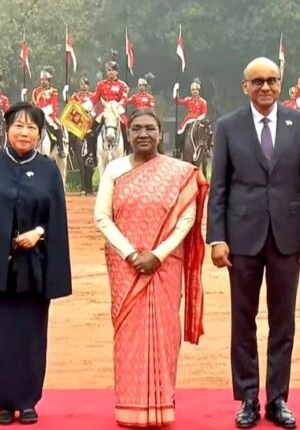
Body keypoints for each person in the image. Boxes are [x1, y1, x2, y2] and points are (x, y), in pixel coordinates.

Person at [206, 57, 300, 429]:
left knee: (283, 322)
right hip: (241, 239)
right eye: (258, 82)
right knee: (243, 322)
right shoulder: (228, 127)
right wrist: (217, 238)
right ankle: (247, 399)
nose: (266, 88)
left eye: (272, 81)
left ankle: (277, 399)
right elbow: (219, 186)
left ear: (281, 84)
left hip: (288, 237)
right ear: (246, 87)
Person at [0, 102, 72, 426]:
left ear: (39, 133)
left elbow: (56, 220)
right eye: (19, 126)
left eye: (32, 127)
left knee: (32, 337)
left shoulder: (49, 170)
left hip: (35, 268)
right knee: (1, 338)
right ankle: (5, 402)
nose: (25, 132)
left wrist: (38, 233)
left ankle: (29, 400)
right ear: (7, 129)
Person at [94, 108, 208, 428]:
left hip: (165, 263)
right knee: (128, 331)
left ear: (161, 133)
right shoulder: (114, 170)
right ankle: (129, 406)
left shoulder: (180, 172)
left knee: (165, 331)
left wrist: (157, 254)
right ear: (128, 134)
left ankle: (162, 403)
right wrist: (132, 254)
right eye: (137, 129)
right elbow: (102, 216)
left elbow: (186, 219)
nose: (143, 134)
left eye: (150, 129)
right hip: (124, 265)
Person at [90, 61, 129, 151]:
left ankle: (127, 151)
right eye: (109, 70)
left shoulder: (122, 85)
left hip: (117, 109)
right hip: (104, 110)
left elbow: (124, 99)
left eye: (113, 70)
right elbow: (95, 98)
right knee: (92, 129)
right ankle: (92, 154)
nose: (111, 72)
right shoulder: (101, 84)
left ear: (117, 72)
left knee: (127, 128)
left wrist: (118, 105)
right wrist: (89, 107)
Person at [31, 66, 65, 158]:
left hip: (49, 115)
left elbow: (52, 105)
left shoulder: (54, 92)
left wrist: (42, 111)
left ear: (49, 81)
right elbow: (33, 103)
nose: (43, 82)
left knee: (58, 130)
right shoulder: (36, 91)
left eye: (45, 80)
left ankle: (60, 148)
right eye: (42, 80)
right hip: (37, 115)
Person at [173, 78, 208, 157]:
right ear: (191, 91)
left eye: (196, 90)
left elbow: (204, 113)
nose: (195, 91)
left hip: (199, 120)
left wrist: (199, 119)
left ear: (199, 91)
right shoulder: (188, 100)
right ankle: (179, 149)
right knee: (180, 132)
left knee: (208, 131)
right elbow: (177, 101)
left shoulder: (203, 101)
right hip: (189, 119)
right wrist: (176, 90)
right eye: (193, 90)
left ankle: (207, 149)